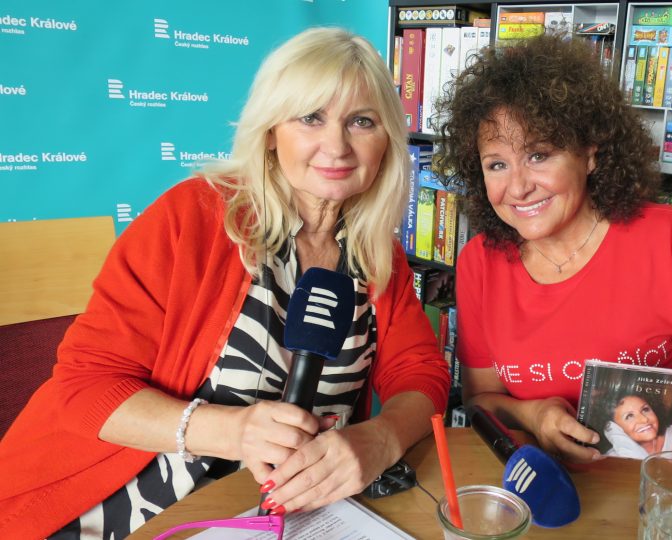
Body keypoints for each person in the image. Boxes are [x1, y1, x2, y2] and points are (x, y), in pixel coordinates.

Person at [0, 27, 450, 538]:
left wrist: (382, 438)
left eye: (361, 121)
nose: (336, 145)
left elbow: (421, 374)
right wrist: (234, 430)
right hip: (117, 510)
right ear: (271, 131)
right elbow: (84, 390)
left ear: (386, 140)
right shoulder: (193, 217)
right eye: (311, 117)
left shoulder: (375, 253)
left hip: (283, 516)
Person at [435, 35, 672, 498]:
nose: (518, 187)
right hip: (553, 491)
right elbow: (481, 401)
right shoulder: (478, 262)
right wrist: (533, 416)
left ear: (590, 153)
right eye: (496, 165)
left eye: (539, 155)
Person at [603, 395, 672, 459]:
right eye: (629, 416)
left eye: (645, 409)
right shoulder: (614, 457)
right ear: (616, 428)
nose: (644, 419)